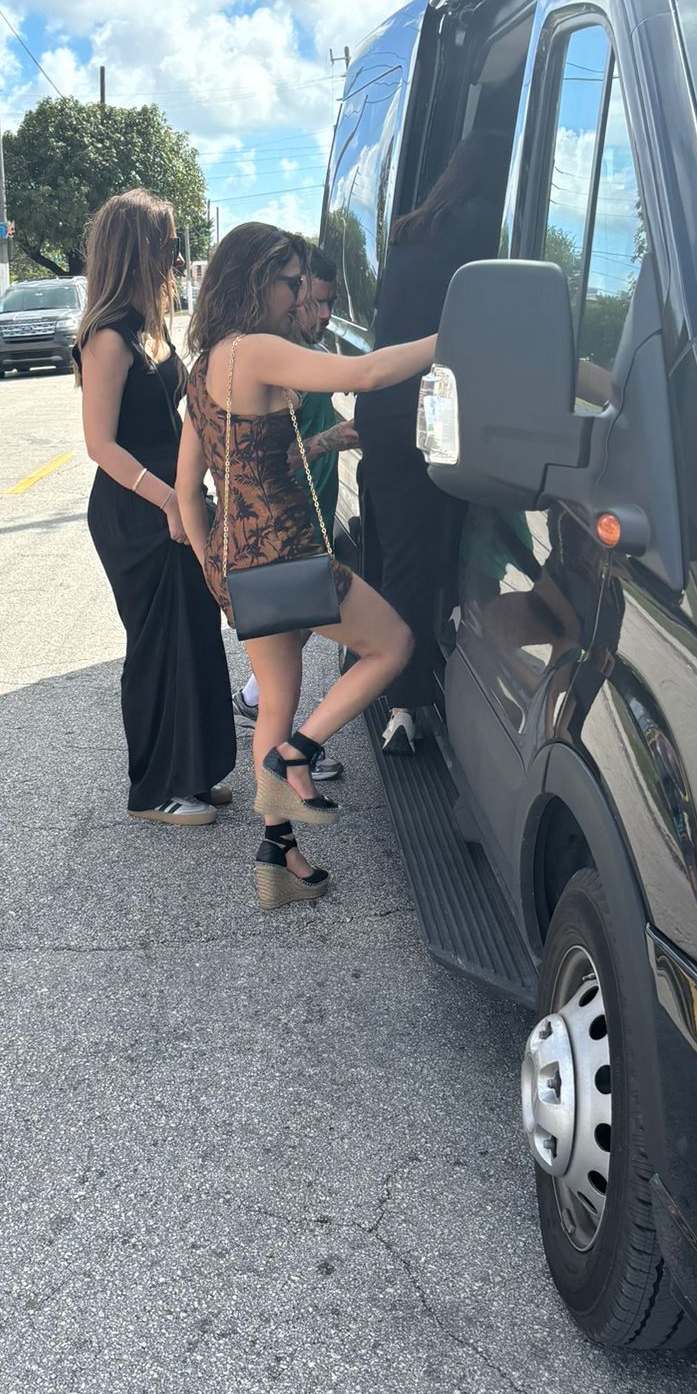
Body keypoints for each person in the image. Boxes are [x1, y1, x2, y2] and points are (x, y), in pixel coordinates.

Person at [176, 222, 436, 909]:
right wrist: (455, 334)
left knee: (275, 693)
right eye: (292, 283)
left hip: (236, 560)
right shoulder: (257, 349)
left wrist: (212, 568)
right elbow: (369, 372)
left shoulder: (203, 368)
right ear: (255, 281)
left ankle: (280, 859)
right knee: (394, 645)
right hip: (288, 548)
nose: (300, 297)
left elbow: (189, 487)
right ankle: (297, 754)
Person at [75, 189, 237, 826]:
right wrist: (170, 498)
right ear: (136, 248)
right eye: (167, 244)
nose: (175, 256)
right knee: (155, 643)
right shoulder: (108, 337)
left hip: (177, 501)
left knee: (194, 634)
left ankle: (192, 772)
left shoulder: (150, 326)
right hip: (135, 509)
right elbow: (99, 444)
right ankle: (154, 789)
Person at [354, 130, 506, 755]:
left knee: (395, 555)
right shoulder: (480, 228)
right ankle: (408, 702)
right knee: (430, 558)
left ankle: (384, 675)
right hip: (435, 415)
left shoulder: (411, 232)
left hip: (384, 412)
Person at [232, 247, 357, 786]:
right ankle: (289, 756)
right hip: (289, 525)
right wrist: (338, 437)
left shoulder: (313, 350)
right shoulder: (278, 361)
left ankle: (257, 705)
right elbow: (269, 460)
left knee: (299, 631)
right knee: (300, 639)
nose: (325, 315)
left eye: (332, 303)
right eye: (318, 302)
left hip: (319, 513)